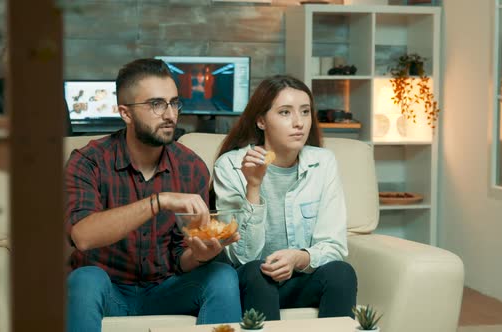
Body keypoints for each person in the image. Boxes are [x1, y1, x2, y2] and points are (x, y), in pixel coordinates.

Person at [64, 58, 241, 332]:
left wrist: (200, 254)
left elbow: (181, 256)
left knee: (222, 275)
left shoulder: (191, 167)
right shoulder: (89, 161)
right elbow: (83, 237)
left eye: (174, 103)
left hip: (165, 290)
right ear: (126, 113)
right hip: (108, 290)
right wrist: (158, 201)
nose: (170, 114)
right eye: (156, 105)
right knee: (84, 279)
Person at [212, 74, 357, 320]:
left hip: (300, 280)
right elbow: (242, 256)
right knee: (257, 272)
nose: (299, 122)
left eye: (305, 112)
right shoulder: (231, 166)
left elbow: (333, 245)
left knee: (342, 272)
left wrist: (299, 257)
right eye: (285, 113)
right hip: (252, 283)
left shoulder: (323, 162)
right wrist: (253, 186)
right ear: (261, 121)